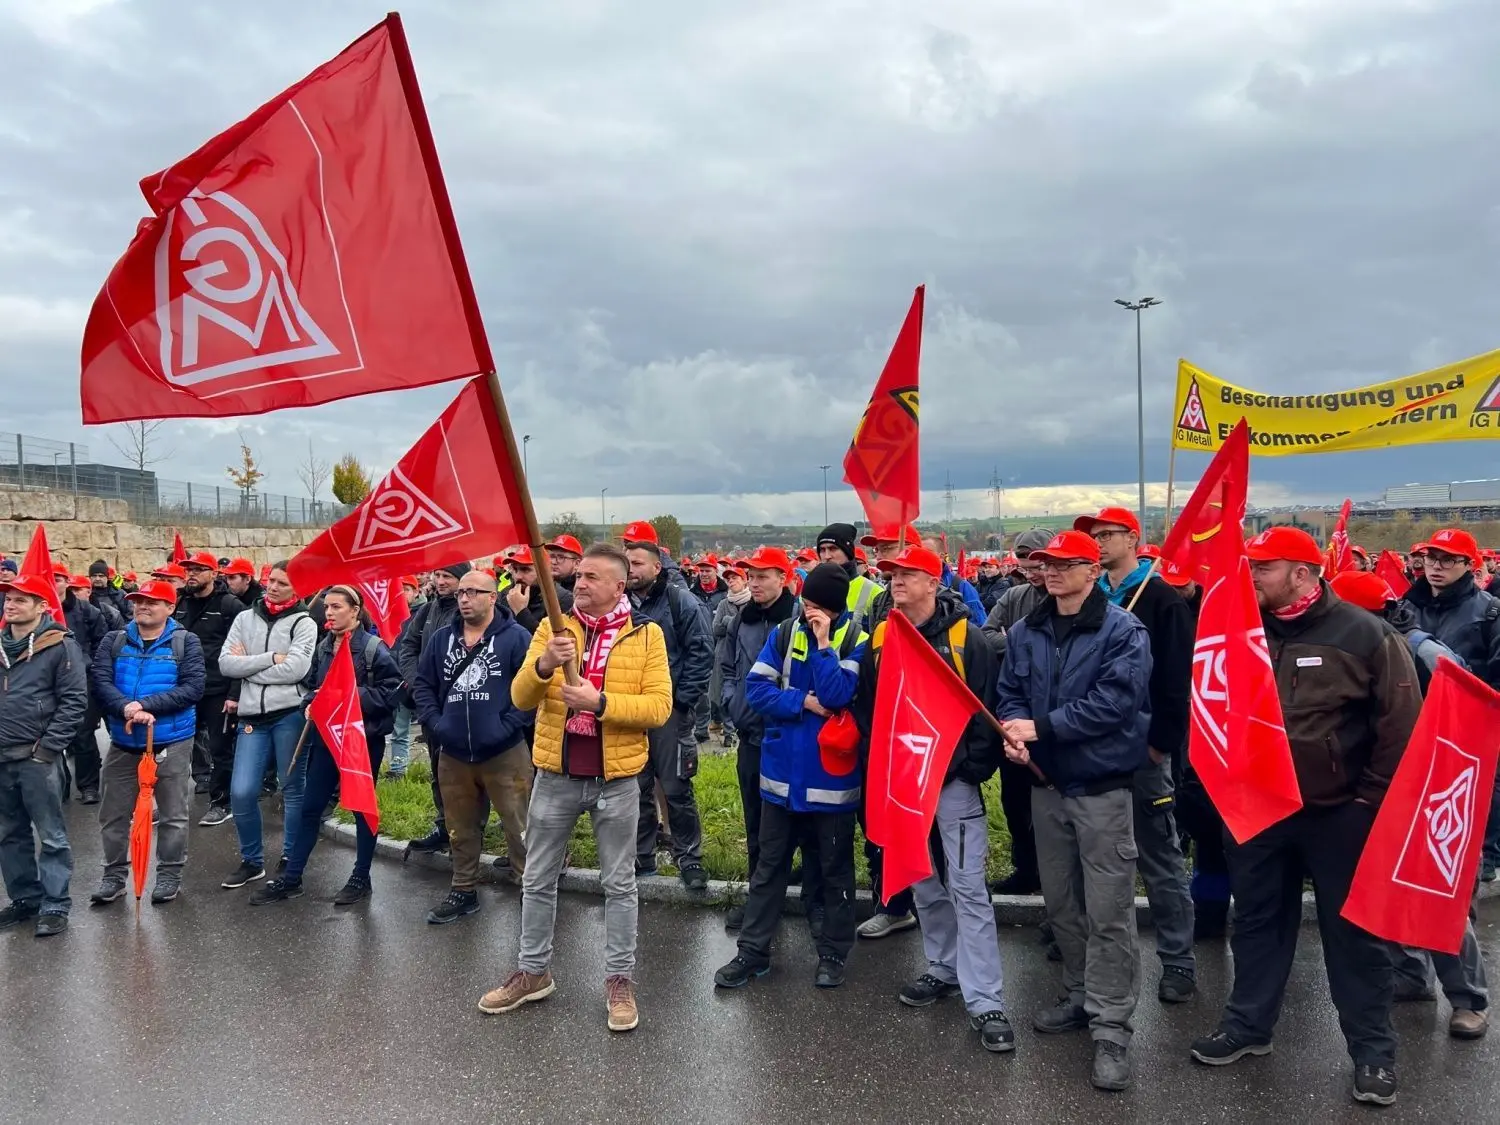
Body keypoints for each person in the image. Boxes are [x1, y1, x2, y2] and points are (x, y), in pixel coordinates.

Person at [1191, 527, 1421, 1108]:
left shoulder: (1366, 633)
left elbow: (1401, 725)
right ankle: (1248, 1027)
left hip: (1340, 814)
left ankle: (1372, 1053)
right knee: (1257, 923)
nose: (1250, 577)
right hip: (1258, 810)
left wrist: (1367, 802)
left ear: (1302, 573)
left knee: (1355, 937)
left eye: (1262, 568)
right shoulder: (1241, 630)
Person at [480, 543, 672, 1032]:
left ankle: (619, 980)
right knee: (537, 878)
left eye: (590, 577)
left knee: (620, 884)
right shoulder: (553, 627)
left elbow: (658, 708)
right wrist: (544, 664)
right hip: (555, 777)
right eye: (578, 575)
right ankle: (533, 972)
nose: (579, 583)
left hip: (617, 781)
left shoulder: (647, 635)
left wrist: (600, 702)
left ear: (618, 586)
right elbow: (520, 698)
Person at [997, 530, 1152, 1091]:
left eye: (1066, 564)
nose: (1052, 571)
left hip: (1101, 789)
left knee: (1109, 910)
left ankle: (1112, 1027)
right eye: (1046, 563)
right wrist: (1015, 732)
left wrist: (1042, 728)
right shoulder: (1025, 630)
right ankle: (1081, 993)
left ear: (1092, 571)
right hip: (1046, 787)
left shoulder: (1123, 630)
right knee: (1061, 902)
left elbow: (1116, 703)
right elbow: (1010, 693)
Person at [854, 545, 1014, 1053]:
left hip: (953, 785)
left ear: (933, 582)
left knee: (967, 886)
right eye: (891, 575)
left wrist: (968, 768)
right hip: (905, 784)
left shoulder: (968, 637)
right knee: (921, 877)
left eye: (907, 574)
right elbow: (871, 707)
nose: (896, 582)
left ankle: (986, 999)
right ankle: (943, 967)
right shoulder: (883, 636)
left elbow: (987, 707)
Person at [1330, 569, 1489, 1039]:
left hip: (1424, 784)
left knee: (1433, 890)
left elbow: (1464, 698)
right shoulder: (1353, 642)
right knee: (1387, 883)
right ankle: (1411, 976)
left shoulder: (1418, 649)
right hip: (1372, 784)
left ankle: (1469, 998)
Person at [715, 563, 867, 991]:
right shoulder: (784, 634)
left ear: (834, 610)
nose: (807, 611)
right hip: (780, 780)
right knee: (768, 869)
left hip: (831, 784)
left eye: (817, 606)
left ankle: (833, 954)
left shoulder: (856, 640)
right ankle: (753, 952)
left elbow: (837, 695)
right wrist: (802, 702)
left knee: (835, 872)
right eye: (806, 602)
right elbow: (757, 691)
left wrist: (823, 646)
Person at [1075, 506, 1196, 1003]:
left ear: (1133, 538)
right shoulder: (1087, 597)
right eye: (1094, 536)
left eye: (1108, 534)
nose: (1100, 543)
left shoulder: (1162, 598)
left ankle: (1178, 960)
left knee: (1159, 856)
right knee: (1099, 857)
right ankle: (1095, 958)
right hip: (1094, 751)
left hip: (1145, 751)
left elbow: (1176, 680)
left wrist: (1160, 743)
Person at [251, 585, 402, 907]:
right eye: (327, 607)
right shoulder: (324, 647)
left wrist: (347, 697)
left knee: (362, 809)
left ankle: (361, 877)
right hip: (326, 741)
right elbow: (314, 687)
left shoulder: (373, 648)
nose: (328, 613)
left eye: (336, 607)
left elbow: (393, 692)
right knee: (310, 808)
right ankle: (292, 878)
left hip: (362, 743)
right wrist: (310, 703)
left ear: (355, 611)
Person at [412, 570, 534, 924]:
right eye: (461, 593)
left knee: (519, 824)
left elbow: (532, 689)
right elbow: (424, 684)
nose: (464, 599)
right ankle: (463, 889)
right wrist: (437, 724)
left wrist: (507, 726)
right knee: (460, 827)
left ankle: (529, 887)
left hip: (505, 751)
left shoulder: (516, 637)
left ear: (493, 597)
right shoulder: (441, 639)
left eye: (474, 592)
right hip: (453, 753)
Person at [88, 580, 205, 906]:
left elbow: (193, 688)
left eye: (152, 602)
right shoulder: (114, 640)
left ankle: (169, 874)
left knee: (172, 814)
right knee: (113, 814)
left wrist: (145, 705)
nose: (143, 606)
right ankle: (114, 876)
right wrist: (126, 707)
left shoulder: (185, 642)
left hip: (172, 741)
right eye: (138, 600)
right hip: (124, 741)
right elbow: (100, 680)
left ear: (170, 608)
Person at [720, 547, 819, 931]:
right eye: (751, 576)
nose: (755, 583)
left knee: (804, 825)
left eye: (763, 576)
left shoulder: (799, 620)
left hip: (791, 738)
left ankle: (814, 900)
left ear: (785, 578)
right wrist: (733, 702)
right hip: (752, 738)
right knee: (756, 824)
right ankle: (760, 900)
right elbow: (727, 667)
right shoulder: (739, 621)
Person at [1399, 528, 1500, 879]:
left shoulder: (1490, 611)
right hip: (1418, 714)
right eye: (1431, 558)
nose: (1436, 567)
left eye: (1447, 560)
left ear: (1469, 565)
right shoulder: (1406, 606)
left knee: (1479, 789)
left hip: (1472, 716)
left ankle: (1485, 855)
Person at [216, 562, 318, 889]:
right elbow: (225, 664)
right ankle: (252, 860)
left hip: (289, 714)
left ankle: (290, 857)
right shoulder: (245, 618)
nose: (273, 587)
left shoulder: (304, 622)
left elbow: (297, 670)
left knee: (292, 788)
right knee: (242, 791)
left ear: (297, 589)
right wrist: (271, 658)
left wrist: (248, 669)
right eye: (271, 580)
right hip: (251, 717)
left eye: (282, 584)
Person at [0, 572, 89, 935]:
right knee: (9, 833)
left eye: (21, 599)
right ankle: (25, 899)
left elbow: (74, 701)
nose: (10, 604)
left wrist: (48, 748)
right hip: (1, 757)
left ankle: (55, 904)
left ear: (41, 607)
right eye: (8, 598)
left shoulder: (60, 646)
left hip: (37, 759)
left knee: (51, 835)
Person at [624, 534, 713, 890]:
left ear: (656, 567)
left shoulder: (680, 601)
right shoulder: (621, 602)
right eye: (626, 564)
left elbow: (701, 652)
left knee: (676, 787)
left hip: (669, 712)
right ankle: (641, 857)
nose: (631, 570)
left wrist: (681, 701)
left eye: (637, 563)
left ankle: (689, 857)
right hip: (631, 710)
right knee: (635, 787)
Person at [981, 526, 1054, 898]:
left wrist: (1019, 641)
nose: (1031, 569)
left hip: (1050, 718)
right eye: (1024, 561)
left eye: (1037, 561)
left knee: (1050, 806)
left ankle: (1053, 876)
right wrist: (1018, 643)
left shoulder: (1066, 597)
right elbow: (986, 633)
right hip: (1012, 715)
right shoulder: (1014, 596)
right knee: (1015, 801)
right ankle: (1025, 869)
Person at [396, 562, 466, 853]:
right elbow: (408, 648)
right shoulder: (427, 611)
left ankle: (466, 833)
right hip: (429, 706)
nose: (440, 581)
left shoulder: (467, 612)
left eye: (447, 576)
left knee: (463, 774)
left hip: (460, 706)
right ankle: (444, 826)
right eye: (437, 575)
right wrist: (418, 685)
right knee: (438, 770)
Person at [174, 552, 247, 821]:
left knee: (220, 749)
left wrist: (234, 693)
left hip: (218, 689)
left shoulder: (230, 605)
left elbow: (242, 652)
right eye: (188, 569)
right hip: (184, 688)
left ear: (214, 574)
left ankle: (221, 803)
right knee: (175, 747)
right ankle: (171, 803)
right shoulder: (179, 602)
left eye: (198, 569)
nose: (191, 574)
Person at [53, 565, 106, 805]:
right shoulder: (37, 610)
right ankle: (60, 785)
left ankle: (89, 786)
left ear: (67, 581)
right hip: (48, 682)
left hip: (83, 680)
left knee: (82, 734)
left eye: (58, 579)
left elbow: (101, 644)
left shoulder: (87, 611)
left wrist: (90, 668)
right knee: (51, 736)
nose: (53, 583)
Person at [386, 575, 424, 780]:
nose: (401, 594)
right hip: (395, 681)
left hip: (418, 680)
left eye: (406, 589)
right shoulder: (389, 616)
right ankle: (398, 769)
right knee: (399, 728)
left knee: (429, 727)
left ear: (416, 592)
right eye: (398, 590)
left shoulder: (425, 614)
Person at [709, 564, 749, 751]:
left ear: (744, 581)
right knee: (723, 692)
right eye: (729, 579)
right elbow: (716, 629)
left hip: (745, 654)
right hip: (724, 653)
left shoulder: (752, 603)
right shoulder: (723, 604)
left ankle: (740, 728)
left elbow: (750, 628)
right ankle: (728, 732)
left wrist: (728, 621)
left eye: (735, 578)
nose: (731, 582)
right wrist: (733, 623)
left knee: (742, 692)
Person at [816, 522, 881, 631]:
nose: (827, 556)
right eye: (822, 550)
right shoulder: (812, 588)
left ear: (848, 552)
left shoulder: (873, 591)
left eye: (833, 549)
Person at [502, 545, 574, 633]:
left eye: (525, 570)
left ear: (543, 571)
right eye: (515, 569)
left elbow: (552, 638)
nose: (518, 576)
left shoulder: (562, 599)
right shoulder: (506, 595)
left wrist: (521, 612)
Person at [920, 534, 987, 622]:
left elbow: (978, 624)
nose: (922, 556)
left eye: (927, 552)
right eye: (919, 552)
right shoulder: (912, 583)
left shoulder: (961, 585)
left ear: (941, 556)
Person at [88, 559, 130, 625]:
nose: (97, 579)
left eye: (101, 576)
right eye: (94, 576)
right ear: (90, 577)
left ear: (107, 577)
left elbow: (130, 617)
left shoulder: (120, 594)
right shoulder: (85, 594)